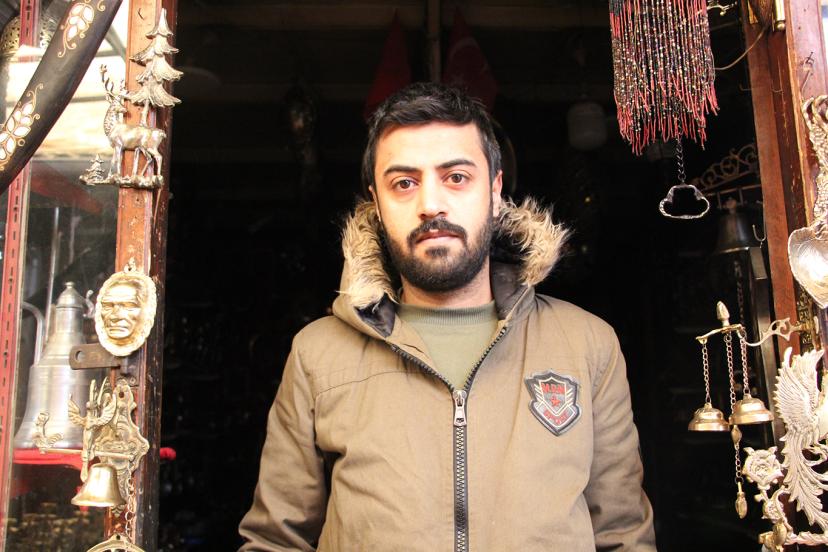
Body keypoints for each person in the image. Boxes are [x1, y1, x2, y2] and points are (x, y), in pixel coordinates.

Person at [239, 83, 656, 551]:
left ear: (495, 190)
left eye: (456, 177)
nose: (430, 205)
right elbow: (275, 542)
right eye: (404, 183)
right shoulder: (318, 355)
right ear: (376, 203)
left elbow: (624, 536)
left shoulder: (587, 346)